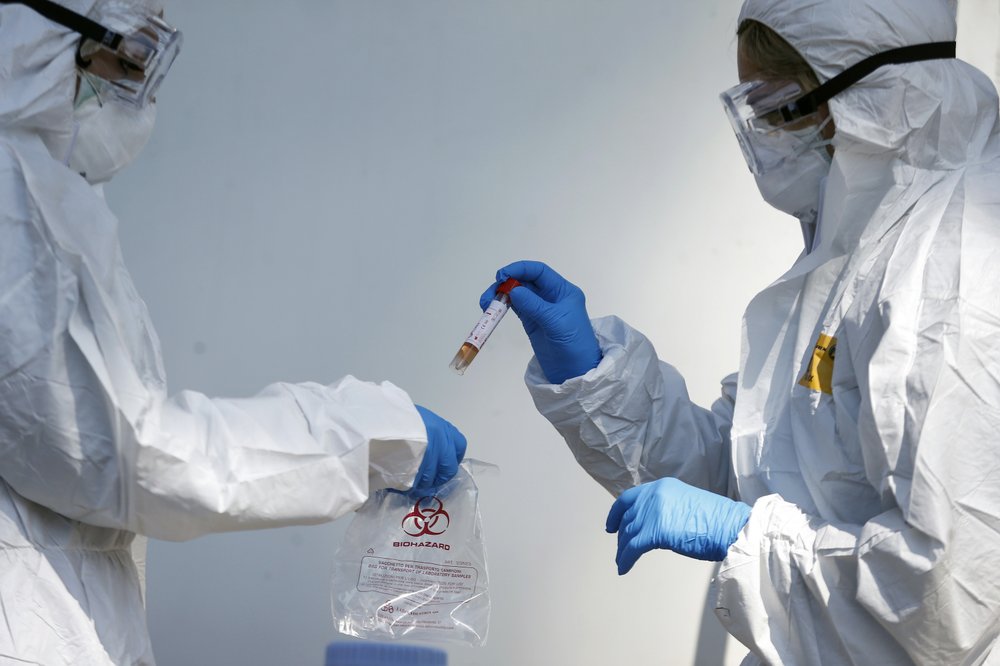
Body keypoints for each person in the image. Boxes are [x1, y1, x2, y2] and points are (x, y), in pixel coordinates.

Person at [481, 0, 1000, 662]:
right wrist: (591, 373)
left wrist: (740, 537)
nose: (762, 133)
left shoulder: (958, 268)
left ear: (868, 93)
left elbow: (941, 603)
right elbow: (747, 471)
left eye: (776, 106)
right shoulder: (850, 256)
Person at [0, 1, 467, 664]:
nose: (135, 91)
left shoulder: (47, 191)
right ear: (34, 34)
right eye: (126, 56)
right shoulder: (10, 197)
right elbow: (134, 462)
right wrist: (365, 432)